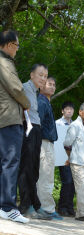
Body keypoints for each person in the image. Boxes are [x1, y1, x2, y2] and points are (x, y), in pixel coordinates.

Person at [0, 30, 31, 223]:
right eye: (17, 46)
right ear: (10, 45)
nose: (17, 50)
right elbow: (16, 88)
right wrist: (27, 104)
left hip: (3, 118)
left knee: (4, 163)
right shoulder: (4, 62)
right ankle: (7, 207)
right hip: (9, 118)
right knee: (10, 162)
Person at [18, 63, 52, 220]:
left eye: (45, 76)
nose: (43, 78)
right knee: (27, 167)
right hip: (28, 129)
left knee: (34, 168)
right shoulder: (24, 87)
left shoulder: (37, 93)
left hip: (36, 129)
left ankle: (35, 205)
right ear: (32, 75)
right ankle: (25, 206)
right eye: (40, 75)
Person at [63, 102, 84, 222]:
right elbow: (66, 143)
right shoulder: (75, 126)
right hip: (77, 162)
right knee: (81, 188)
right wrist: (71, 158)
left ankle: (83, 212)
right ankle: (82, 214)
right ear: (80, 112)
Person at [37, 77, 62, 220]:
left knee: (44, 176)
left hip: (47, 143)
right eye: (49, 84)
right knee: (45, 176)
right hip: (44, 143)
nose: (52, 87)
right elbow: (37, 123)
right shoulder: (41, 101)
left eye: (54, 84)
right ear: (42, 86)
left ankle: (43, 207)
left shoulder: (46, 102)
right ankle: (46, 208)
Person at [56, 101, 76, 217]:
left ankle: (69, 207)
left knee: (73, 182)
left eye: (71, 109)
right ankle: (62, 207)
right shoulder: (57, 123)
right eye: (67, 109)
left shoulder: (75, 125)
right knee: (67, 181)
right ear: (62, 111)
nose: (69, 110)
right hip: (62, 156)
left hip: (74, 157)